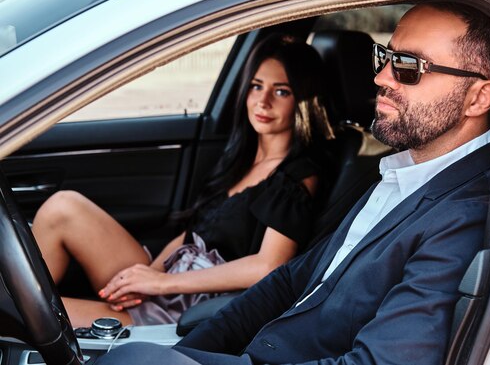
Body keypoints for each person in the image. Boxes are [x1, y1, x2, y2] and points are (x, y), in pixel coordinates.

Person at [96, 0, 490, 365]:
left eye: (409, 67)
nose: (381, 77)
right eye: (385, 56)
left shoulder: (465, 212)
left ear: (478, 98)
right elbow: (290, 281)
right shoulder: (400, 173)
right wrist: (191, 354)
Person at [31, 33, 334, 328]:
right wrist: (144, 276)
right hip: (172, 279)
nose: (262, 102)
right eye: (256, 86)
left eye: (281, 91)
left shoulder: (296, 177)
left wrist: (162, 283)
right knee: (63, 206)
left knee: (27, 312)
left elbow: (268, 266)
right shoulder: (239, 159)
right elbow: (192, 232)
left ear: (303, 101)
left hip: (193, 307)